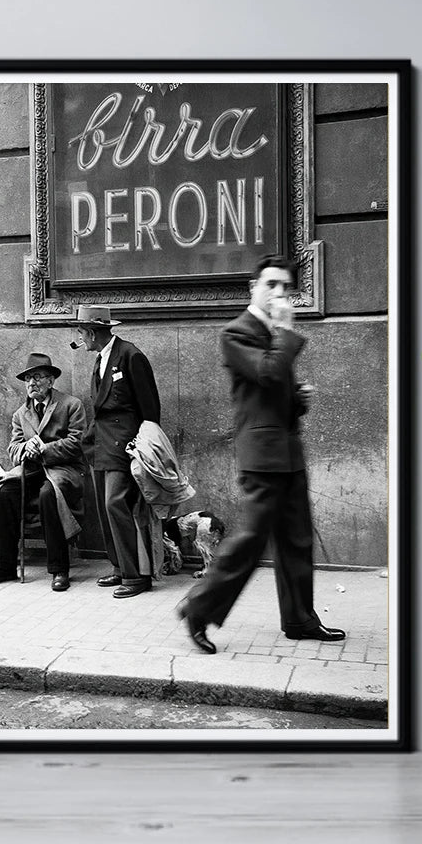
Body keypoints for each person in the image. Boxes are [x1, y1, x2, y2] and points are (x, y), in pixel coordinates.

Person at [175, 256, 346, 654]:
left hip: (288, 452)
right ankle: (197, 608)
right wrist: (286, 332)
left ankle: (300, 619)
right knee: (252, 539)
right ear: (253, 287)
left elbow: (272, 392)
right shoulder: (238, 333)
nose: (280, 294)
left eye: (285, 287)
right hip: (260, 456)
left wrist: (298, 400)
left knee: (297, 539)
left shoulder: (272, 334)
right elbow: (268, 373)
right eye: (272, 285)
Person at [71, 304, 161, 599]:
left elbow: (150, 407)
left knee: (115, 503)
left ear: (93, 332)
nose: (79, 338)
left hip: (125, 445)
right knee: (104, 505)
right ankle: (120, 567)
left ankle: (137, 576)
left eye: (81, 332)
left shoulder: (130, 355)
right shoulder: (101, 358)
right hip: (100, 445)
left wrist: (144, 446)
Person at [0, 353, 86, 592]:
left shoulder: (71, 405)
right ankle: (3, 567)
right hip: (32, 469)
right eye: (27, 379)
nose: (31, 383)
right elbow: (13, 449)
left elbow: (77, 442)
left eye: (37, 377)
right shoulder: (20, 414)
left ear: (51, 381)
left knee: (49, 494)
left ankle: (59, 569)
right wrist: (26, 448)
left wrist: (45, 449)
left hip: (63, 470)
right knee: (5, 491)